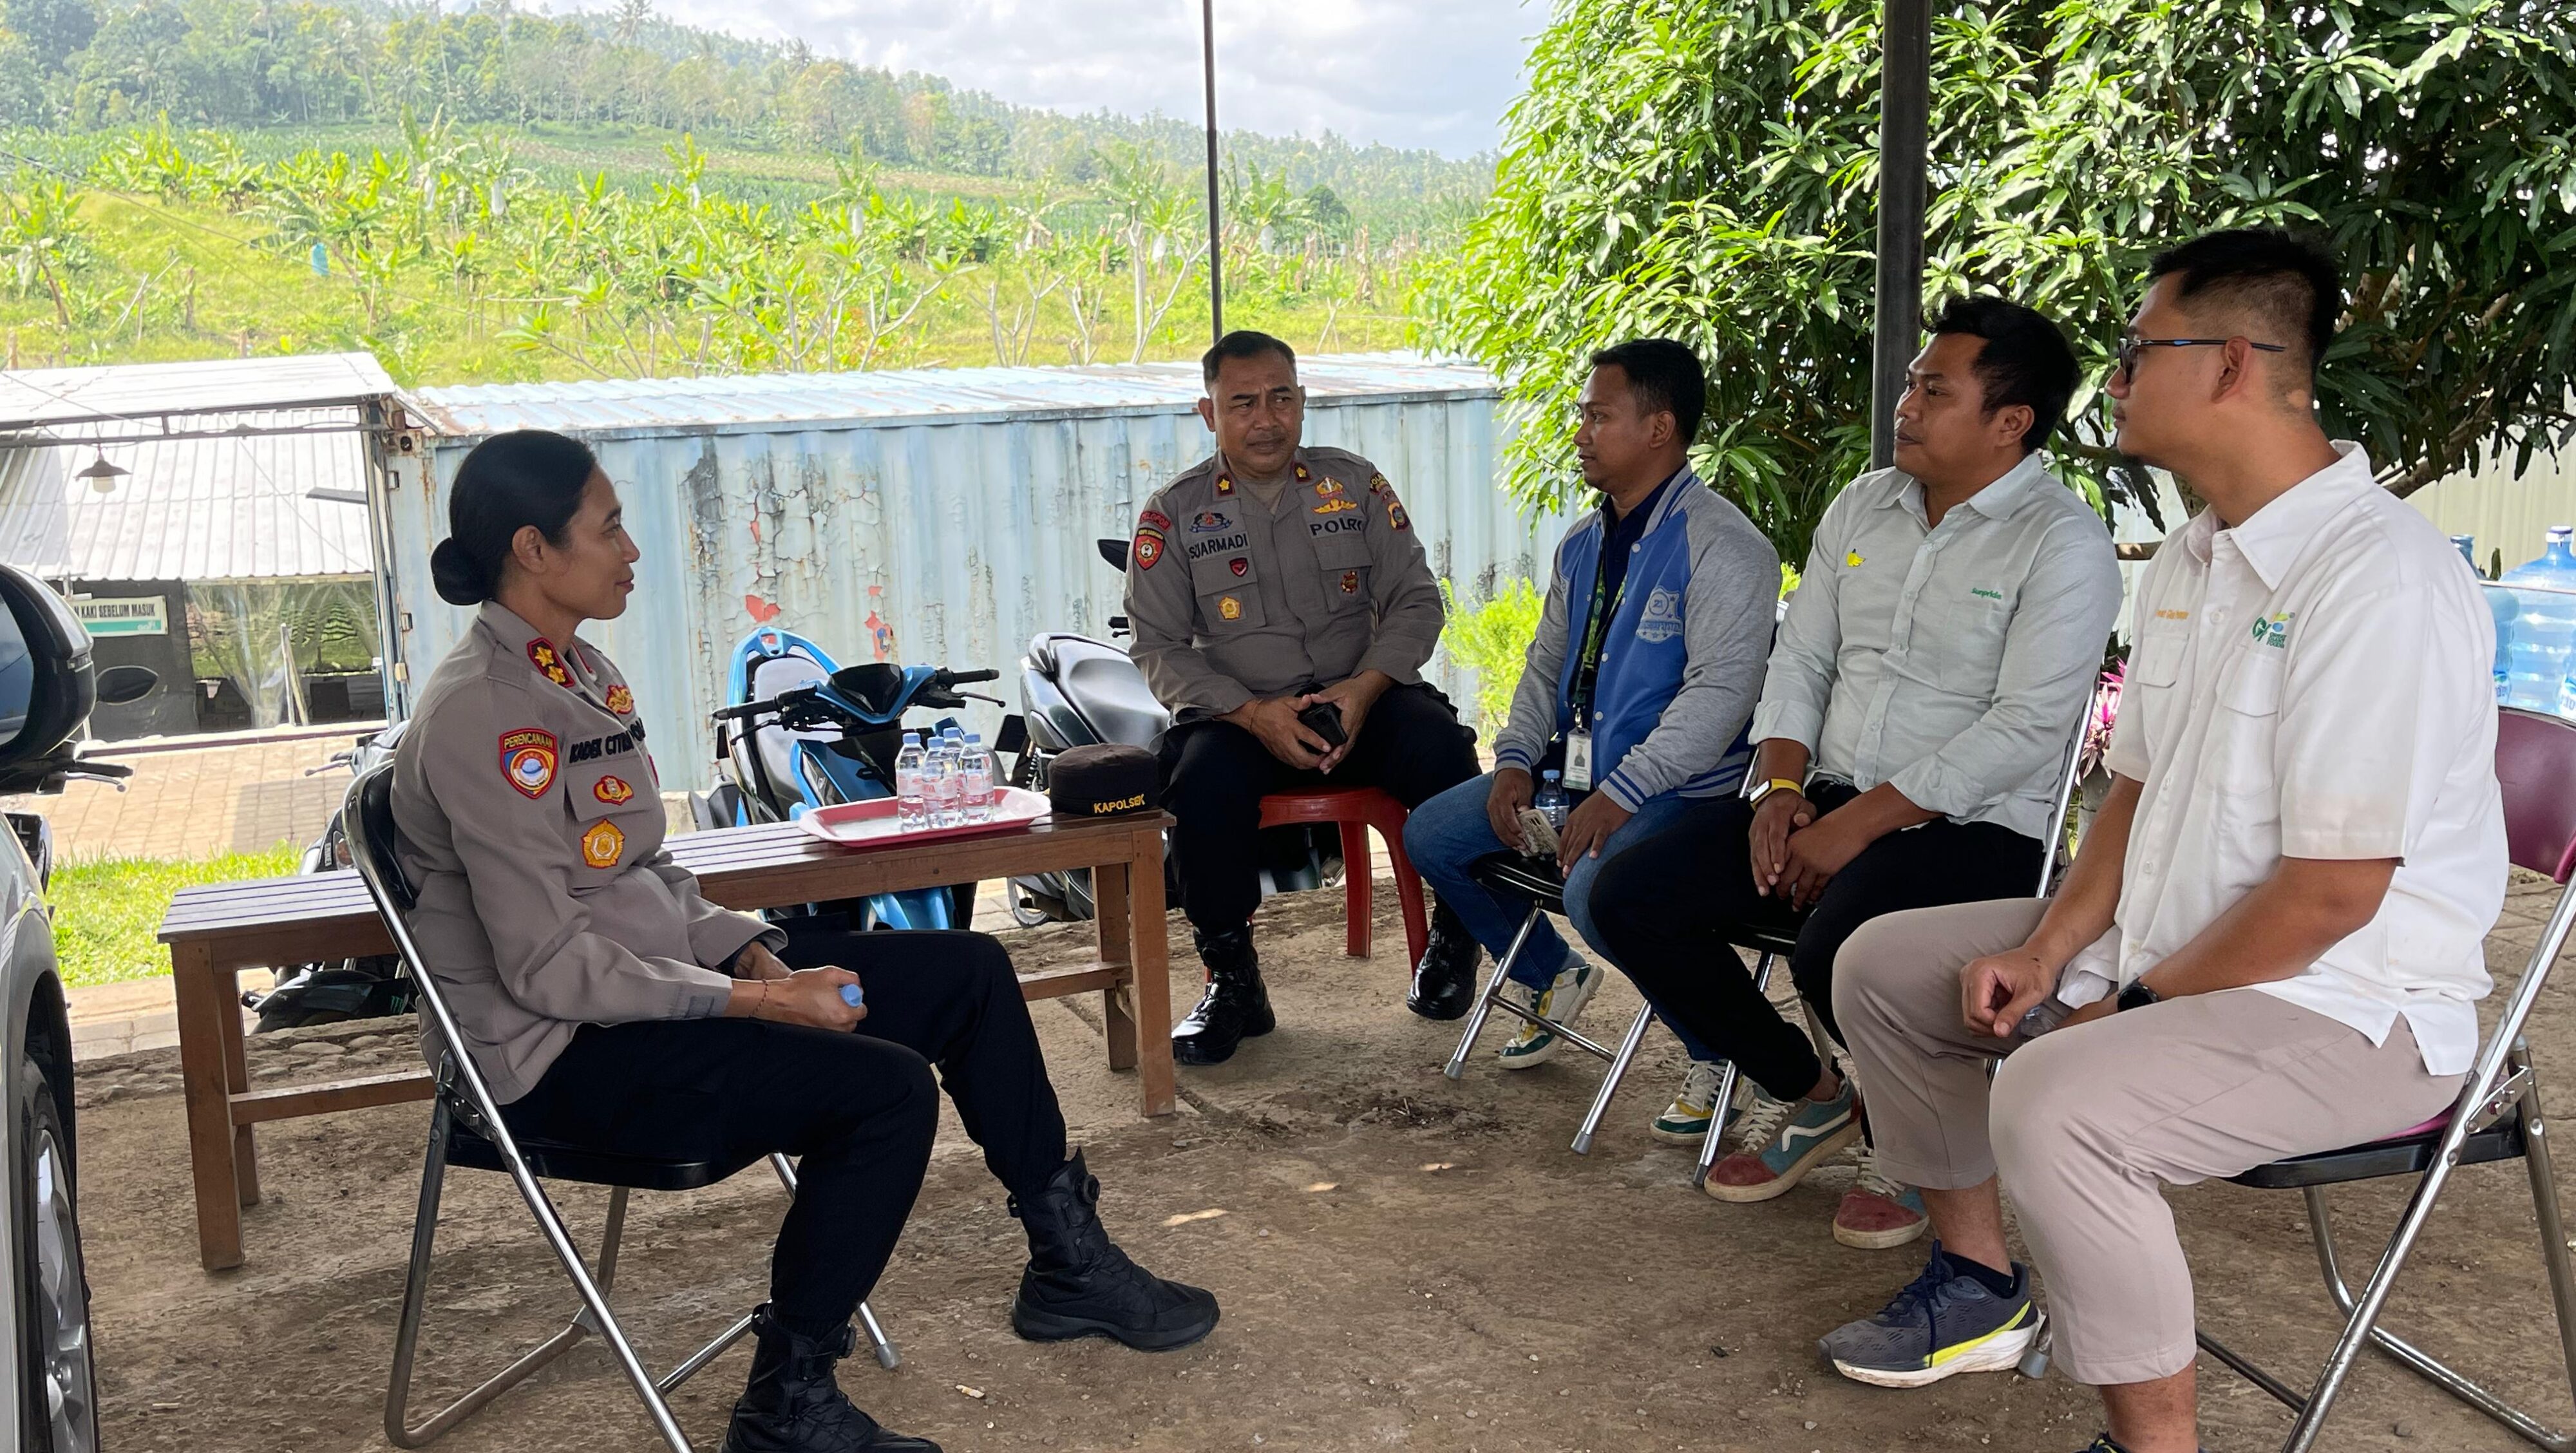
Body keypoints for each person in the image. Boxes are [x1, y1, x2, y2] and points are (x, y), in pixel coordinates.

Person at [392, 430, 1218, 1453]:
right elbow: (547, 966)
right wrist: (766, 1004)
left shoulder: (577, 671)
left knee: (967, 972)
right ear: (533, 549)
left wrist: (747, 951)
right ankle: (787, 1402)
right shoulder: (483, 715)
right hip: (555, 1057)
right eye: (608, 528)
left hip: (648, 995)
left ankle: (1067, 1263)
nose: (633, 549)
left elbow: (641, 872)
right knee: (883, 1091)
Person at [1819, 230, 2505, 1453]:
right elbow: (2132, 796)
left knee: (2058, 1093)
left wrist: (2120, 1004)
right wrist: (2053, 953)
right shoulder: (2190, 557)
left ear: (2233, 364)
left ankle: (2155, 1444)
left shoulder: (2374, 579)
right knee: (1881, 964)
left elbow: (2333, 898)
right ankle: (1980, 1286)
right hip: (2180, 947)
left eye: (2141, 350)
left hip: (2353, 1005)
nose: (2119, 378)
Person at [1587, 296, 2123, 1249]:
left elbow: (2030, 728)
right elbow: (1803, 662)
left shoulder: (2063, 542)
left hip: (1979, 832)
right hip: (1827, 798)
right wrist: (1781, 789)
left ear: (2010, 423)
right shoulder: (1861, 505)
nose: (1904, 406)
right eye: (1912, 384)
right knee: (1629, 894)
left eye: (1932, 389)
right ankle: (1819, 1094)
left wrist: (1859, 824)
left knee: (1840, 945)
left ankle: (1921, 1145)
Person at [1403, 339, 1779, 1142]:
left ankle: (1720, 1051)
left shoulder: (1726, 547)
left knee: (1593, 892)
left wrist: (1622, 793)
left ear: (1659, 429)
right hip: (1571, 776)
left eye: (1598, 415)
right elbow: (1545, 668)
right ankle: (1548, 975)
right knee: (1431, 832)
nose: (1579, 431)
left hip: (1679, 794)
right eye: (1582, 414)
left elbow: (1721, 697)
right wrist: (1510, 762)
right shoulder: (1583, 542)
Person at [1125, 330, 1484, 1066]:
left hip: (1362, 702)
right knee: (1197, 786)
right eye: (1244, 403)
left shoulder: (1353, 486)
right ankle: (1233, 981)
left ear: (1301, 403)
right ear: (1209, 413)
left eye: (1281, 398)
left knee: (1445, 751)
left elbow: (1416, 601)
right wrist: (1252, 713)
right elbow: (1155, 648)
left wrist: (1364, 688)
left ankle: (1457, 935)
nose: (1266, 419)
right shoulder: (1175, 514)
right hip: (1241, 716)